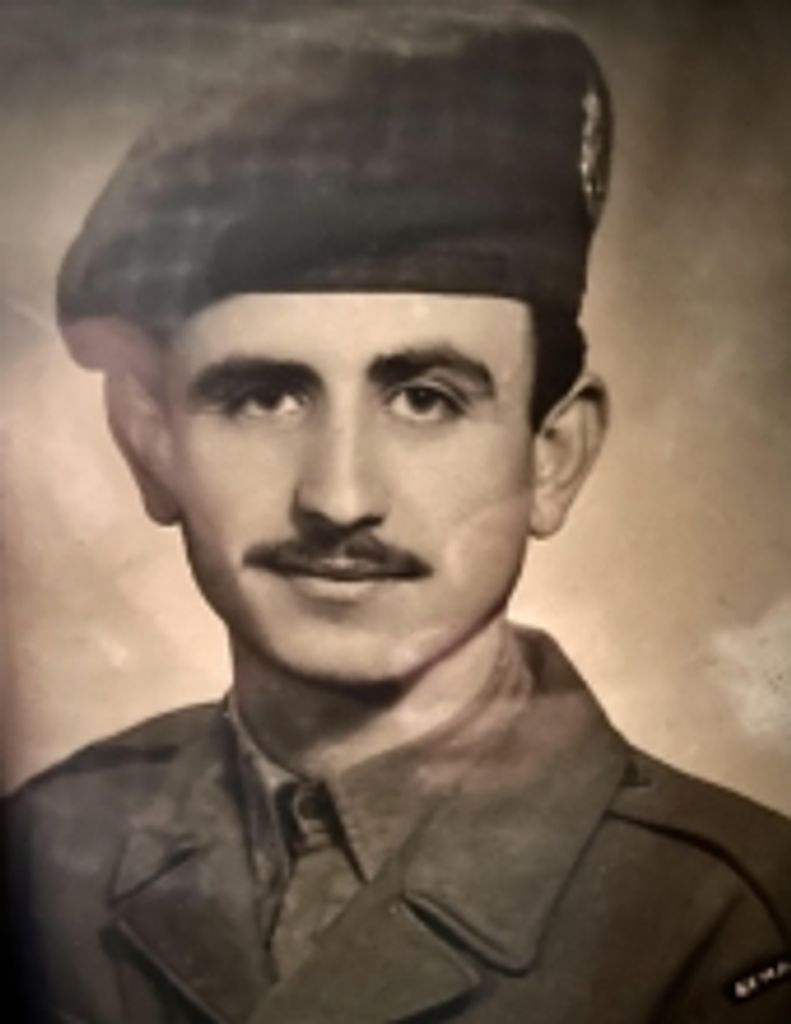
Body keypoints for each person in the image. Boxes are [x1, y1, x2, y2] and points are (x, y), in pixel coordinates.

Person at [5, 3, 791, 1022]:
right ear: (152, 446)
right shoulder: (40, 857)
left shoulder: (732, 922)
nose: (338, 498)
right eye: (264, 397)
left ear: (552, 456)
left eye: (424, 399)